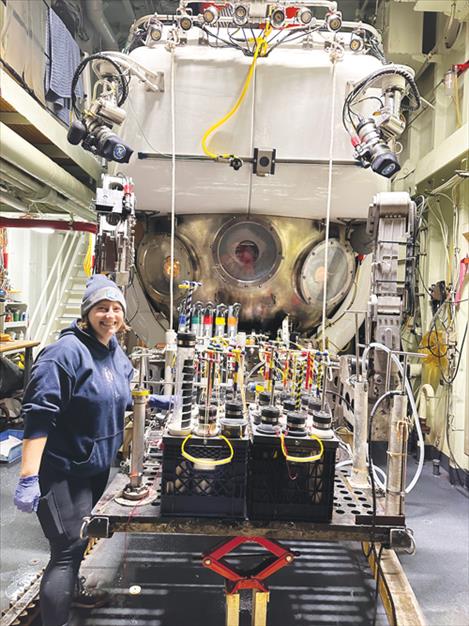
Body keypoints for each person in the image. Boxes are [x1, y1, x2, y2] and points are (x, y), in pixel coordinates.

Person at [13, 274, 173, 626]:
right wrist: (28, 476)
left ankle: (74, 591)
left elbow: (117, 389)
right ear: (86, 313)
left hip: (96, 467)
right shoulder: (64, 354)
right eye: (102, 308)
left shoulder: (112, 348)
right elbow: (38, 419)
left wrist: (149, 400)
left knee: (81, 541)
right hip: (60, 471)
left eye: (116, 308)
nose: (110, 315)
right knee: (66, 552)